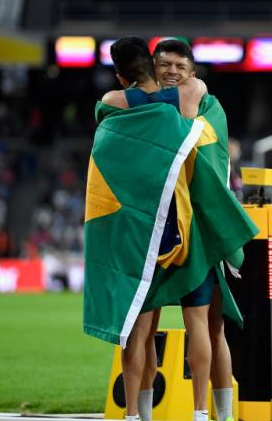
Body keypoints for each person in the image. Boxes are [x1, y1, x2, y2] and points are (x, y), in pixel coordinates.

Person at [96, 36, 207, 421]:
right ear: (152, 64)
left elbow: (105, 125)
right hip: (177, 225)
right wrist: (174, 80)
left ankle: (134, 416)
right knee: (200, 325)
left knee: (138, 329)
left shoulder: (113, 103)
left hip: (135, 229)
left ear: (120, 74)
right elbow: (195, 87)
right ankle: (202, 412)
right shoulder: (184, 97)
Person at [153, 39, 238, 421]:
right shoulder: (149, 105)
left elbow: (203, 156)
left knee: (208, 325)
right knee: (143, 327)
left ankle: (211, 414)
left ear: (192, 69)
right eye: (164, 64)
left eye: (179, 65)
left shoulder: (210, 107)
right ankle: (139, 415)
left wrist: (188, 94)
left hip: (200, 231)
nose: (171, 70)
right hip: (156, 230)